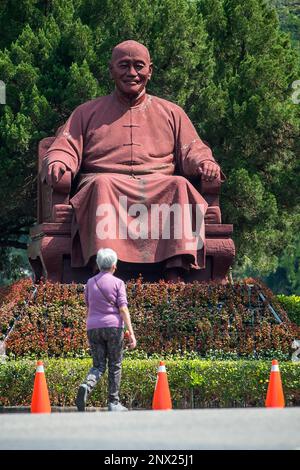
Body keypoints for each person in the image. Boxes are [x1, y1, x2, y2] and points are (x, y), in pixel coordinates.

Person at [42, 40, 224, 280]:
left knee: (179, 185)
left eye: (139, 66)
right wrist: (59, 161)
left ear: (150, 70)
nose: (132, 73)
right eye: (124, 66)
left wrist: (205, 162)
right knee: (102, 185)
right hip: (104, 183)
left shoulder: (171, 112)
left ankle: (175, 270)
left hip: (159, 184)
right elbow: (65, 146)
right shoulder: (86, 112)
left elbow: (193, 149)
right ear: (111, 70)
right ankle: (104, 270)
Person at [75, 247, 136, 412]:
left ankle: (87, 385)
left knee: (99, 365)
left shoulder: (89, 282)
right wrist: (131, 333)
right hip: (113, 328)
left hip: (93, 327)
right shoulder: (118, 283)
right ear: (114, 265)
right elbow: (123, 309)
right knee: (115, 364)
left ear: (98, 264)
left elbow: (88, 306)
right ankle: (113, 403)